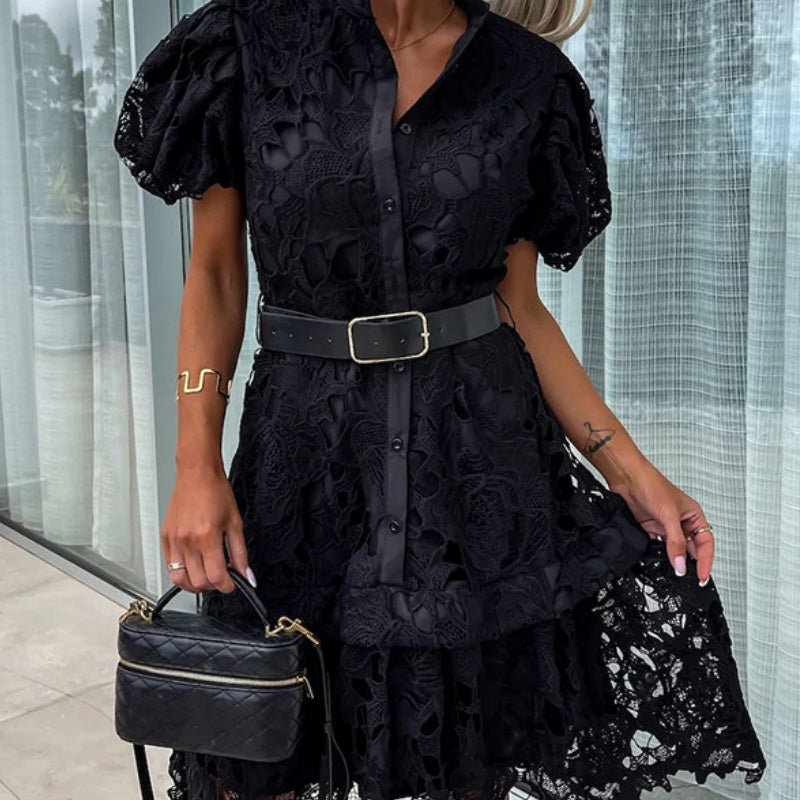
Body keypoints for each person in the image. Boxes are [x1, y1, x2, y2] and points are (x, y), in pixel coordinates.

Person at [113, 0, 767, 799]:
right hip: (302, 473)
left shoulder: (528, 79)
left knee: (462, 765)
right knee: (259, 756)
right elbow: (215, 273)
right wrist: (195, 463)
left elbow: (518, 306)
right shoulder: (248, 44)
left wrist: (632, 472)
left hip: (473, 482)